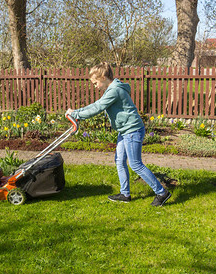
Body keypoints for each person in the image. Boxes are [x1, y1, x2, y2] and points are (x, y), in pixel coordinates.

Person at [65, 62, 172, 206]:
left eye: (95, 82)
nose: (95, 86)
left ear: (103, 77)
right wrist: (76, 112)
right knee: (119, 160)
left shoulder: (114, 90)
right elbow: (97, 104)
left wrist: (76, 113)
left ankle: (161, 192)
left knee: (135, 164)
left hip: (132, 130)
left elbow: (98, 107)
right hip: (125, 131)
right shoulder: (111, 89)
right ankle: (125, 194)